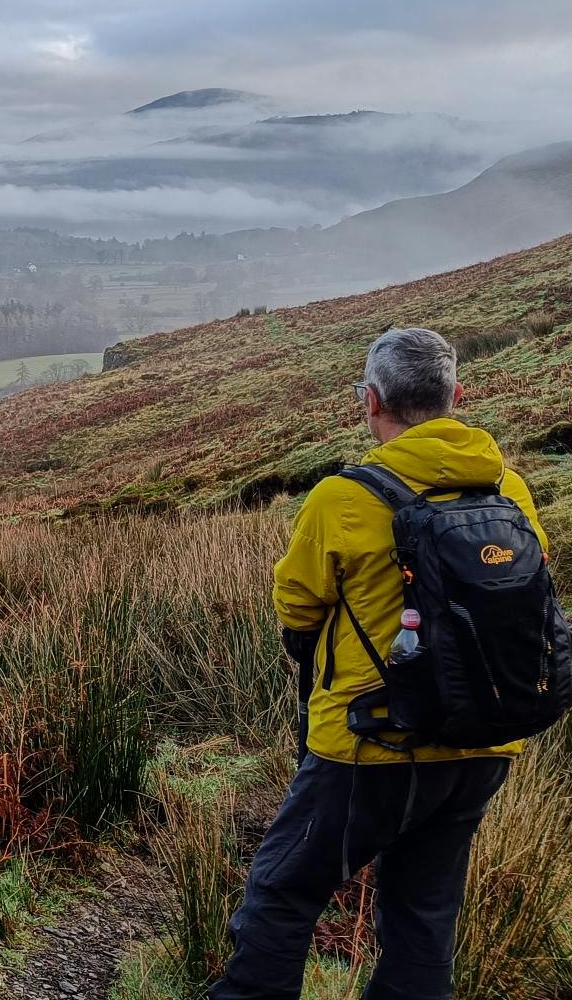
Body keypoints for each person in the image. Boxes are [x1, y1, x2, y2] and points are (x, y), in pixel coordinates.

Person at [210, 327, 546, 1000]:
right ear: (458, 395)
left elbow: (298, 606)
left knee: (281, 894)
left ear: (370, 402)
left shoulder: (344, 497)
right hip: (484, 741)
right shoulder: (511, 491)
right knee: (424, 917)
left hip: (368, 745)